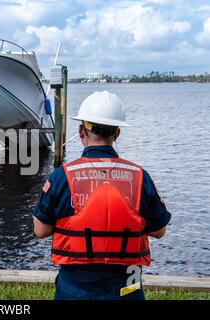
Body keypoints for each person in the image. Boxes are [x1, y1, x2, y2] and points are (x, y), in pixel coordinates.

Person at [33, 91, 171, 300]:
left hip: (74, 291)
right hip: (127, 290)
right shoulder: (140, 177)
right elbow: (159, 231)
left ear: (81, 132)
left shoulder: (61, 178)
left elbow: (41, 230)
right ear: (117, 134)